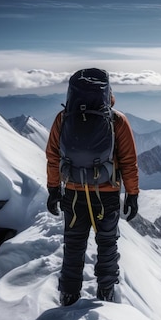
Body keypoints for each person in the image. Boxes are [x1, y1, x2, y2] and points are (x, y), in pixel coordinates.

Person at [45, 68, 139, 306]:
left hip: (74, 194)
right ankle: (106, 294)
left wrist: (54, 189)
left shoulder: (63, 118)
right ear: (107, 92)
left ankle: (68, 295)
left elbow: (53, 156)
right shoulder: (117, 120)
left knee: (74, 244)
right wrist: (132, 194)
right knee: (107, 245)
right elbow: (128, 161)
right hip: (106, 194)